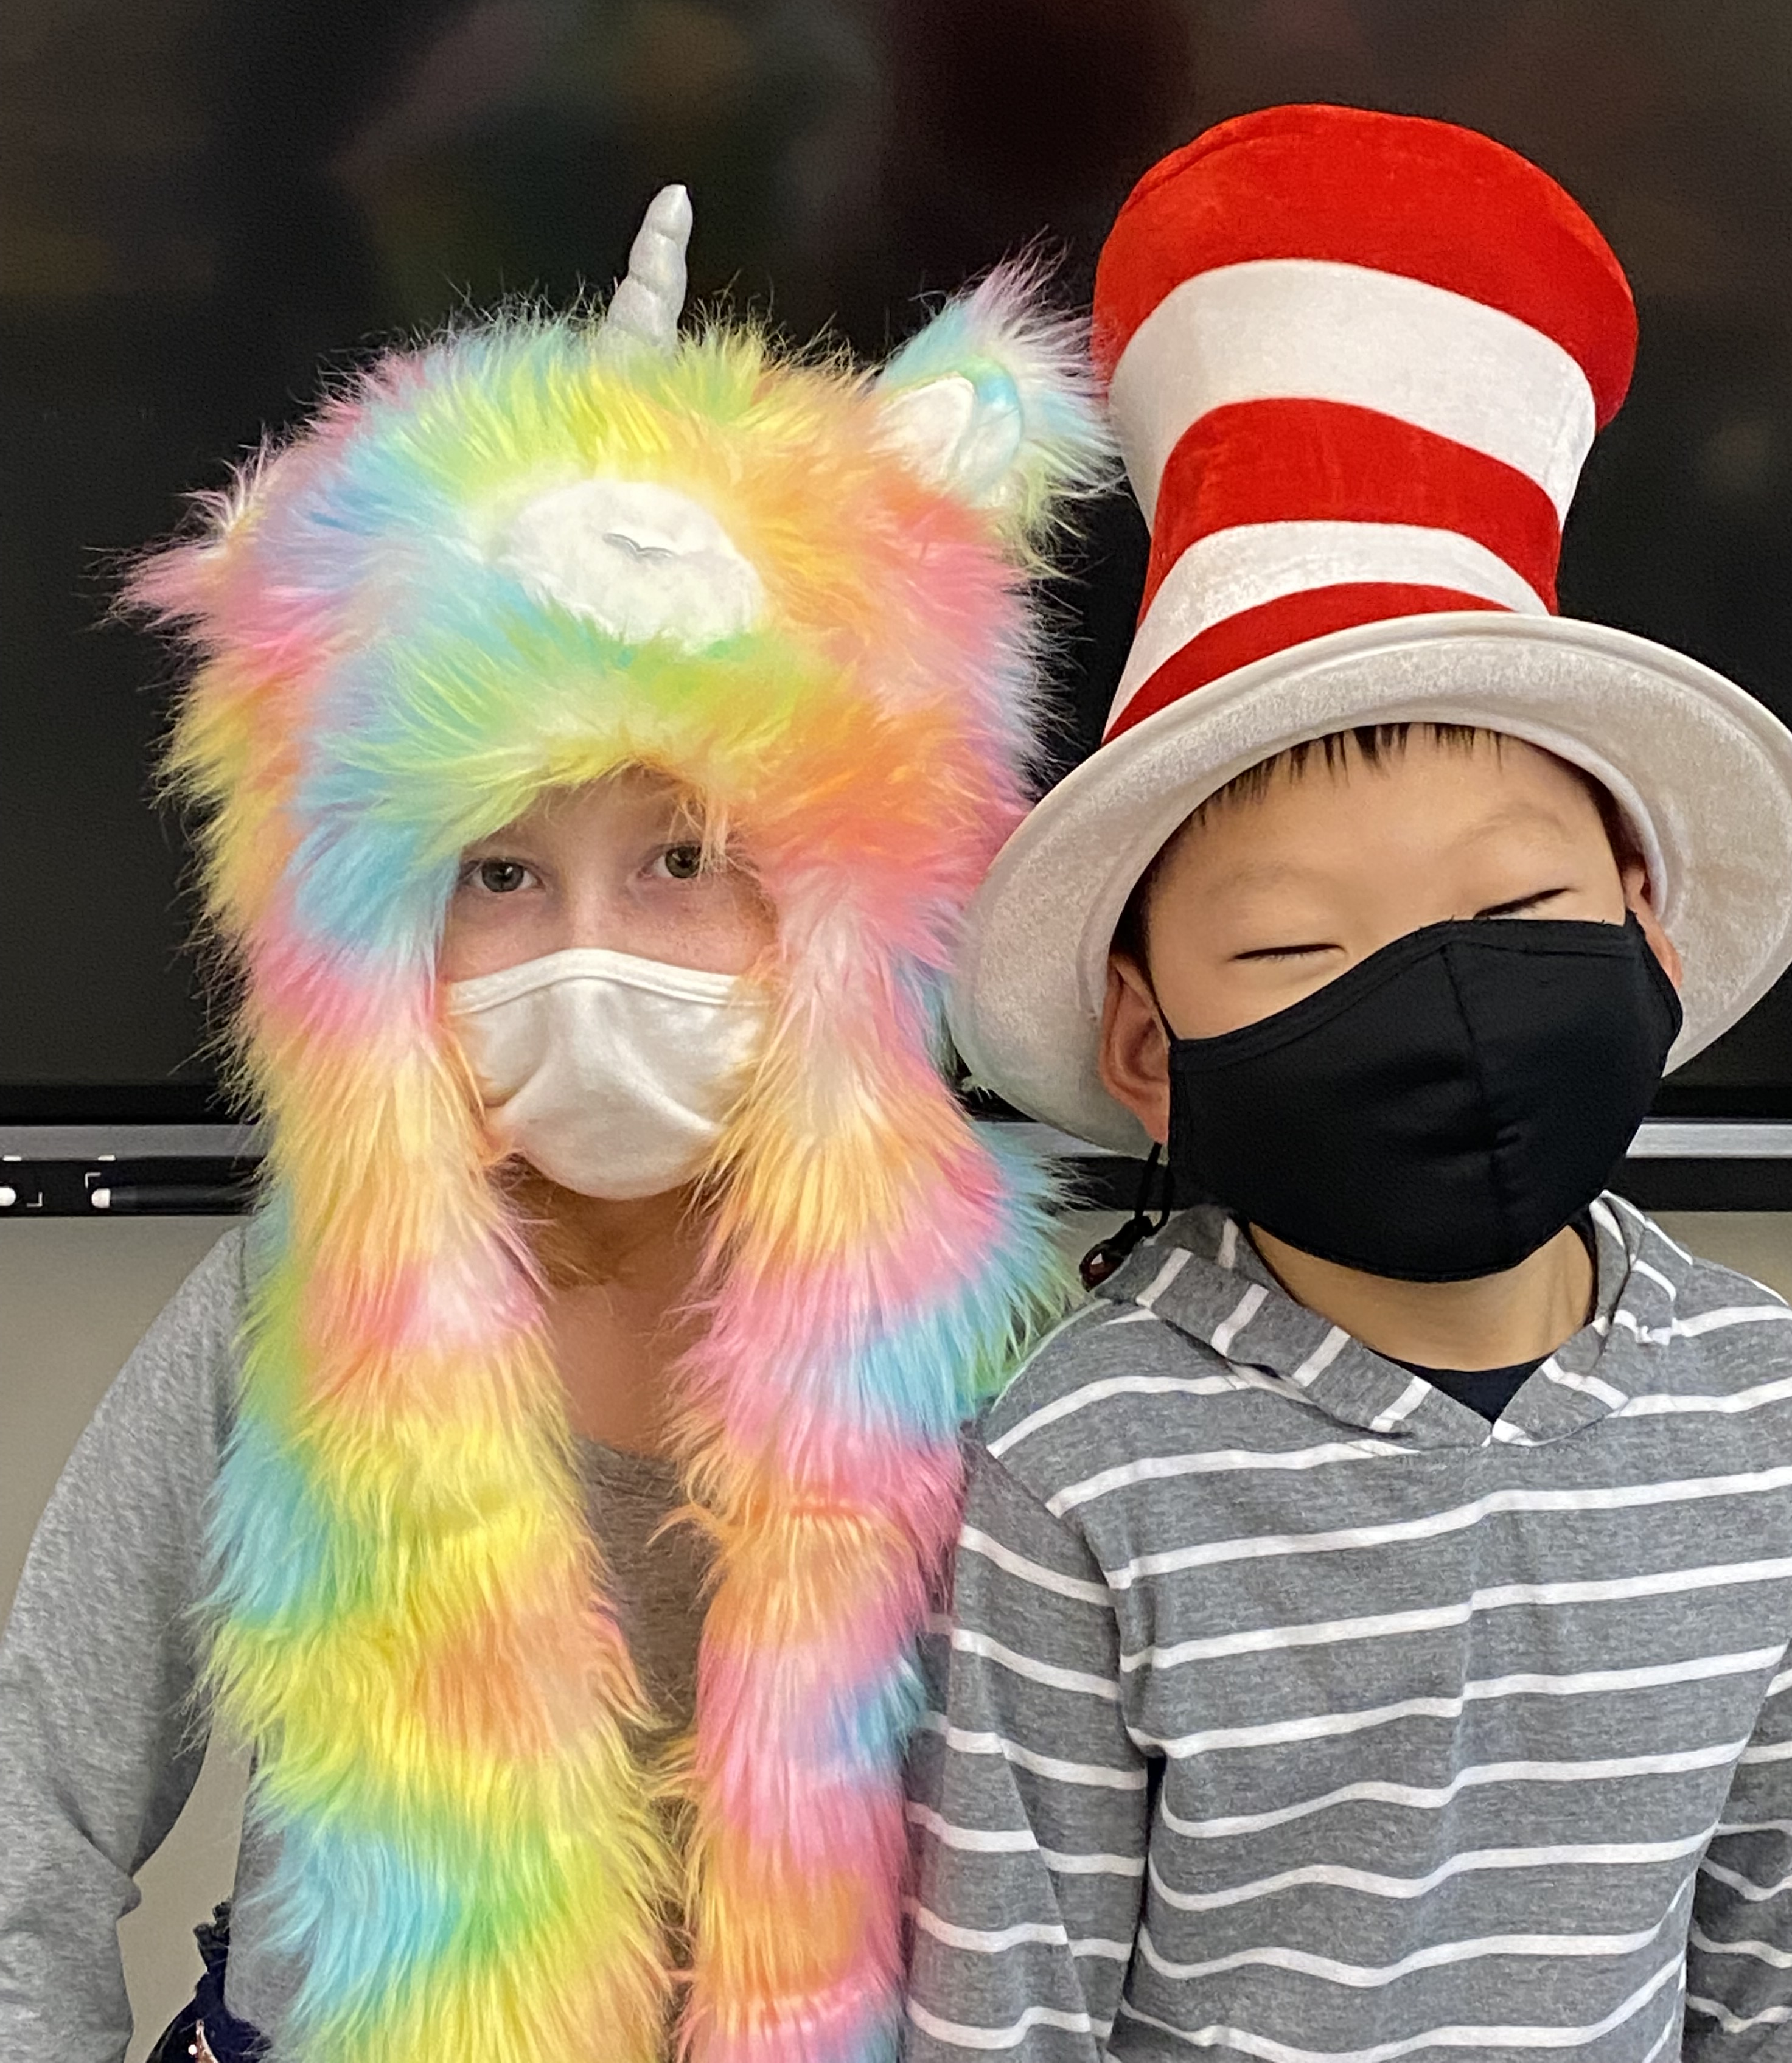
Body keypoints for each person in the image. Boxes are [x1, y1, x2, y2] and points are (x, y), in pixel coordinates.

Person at [0, 186, 1110, 2063]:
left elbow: (1070, 1871)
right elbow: (44, 1783)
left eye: (684, 859)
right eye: (499, 874)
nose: (588, 963)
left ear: (833, 897)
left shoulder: (982, 1339)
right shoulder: (291, 1307)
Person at [907, 104, 1792, 2060]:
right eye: (1296, 952)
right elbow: (1014, 2003)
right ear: (1150, 1044)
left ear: (1649, 926)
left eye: (1516, 904)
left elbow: (1787, 1955)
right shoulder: (1085, 1468)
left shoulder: (1783, 1414)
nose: (1444, 1002)